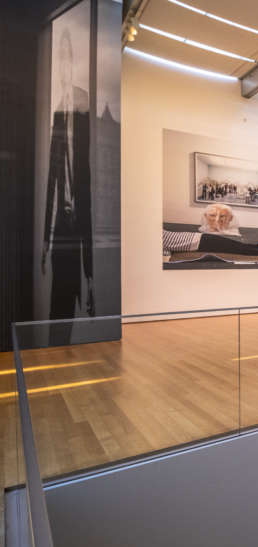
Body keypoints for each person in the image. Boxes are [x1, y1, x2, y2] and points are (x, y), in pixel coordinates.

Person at [43, 29, 93, 345]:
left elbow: (84, 167)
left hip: (76, 215)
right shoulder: (54, 104)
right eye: (60, 56)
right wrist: (44, 238)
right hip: (60, 219)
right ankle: (55, 345)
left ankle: (63, 343)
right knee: (59, 292)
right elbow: (51, 175)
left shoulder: (80, 100)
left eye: (67, 56)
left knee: (71, 287)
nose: (64, 64)